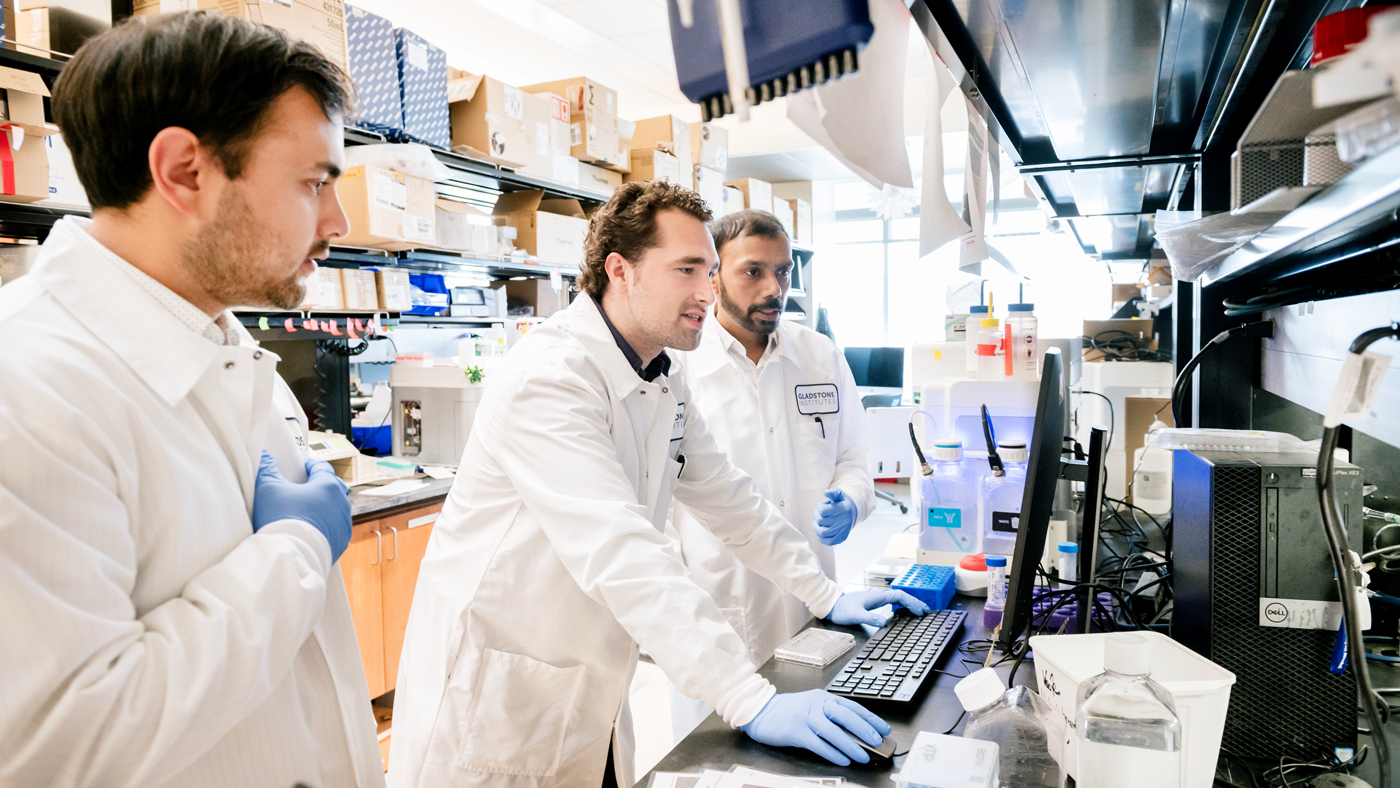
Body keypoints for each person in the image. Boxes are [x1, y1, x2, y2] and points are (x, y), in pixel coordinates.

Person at [390, 181, 928, 788]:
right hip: (497, 703)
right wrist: (748, 698)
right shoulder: (550, 379)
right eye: (688, 270)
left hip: (588, 690)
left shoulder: (661, 378)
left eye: (710, 269)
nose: (708, 291)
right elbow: (622, 551)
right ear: (620, 271)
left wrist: (823, 594)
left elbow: (732, 502)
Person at [0, 12, 382, 787]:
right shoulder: (27, 384)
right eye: (314, 184)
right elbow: (61, 746)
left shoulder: (229, 351)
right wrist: (294, 555)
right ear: (184, 172)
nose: (338, 224)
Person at [667, 209, 876, 738]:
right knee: (717, 761)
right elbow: (662, 511)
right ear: (712, 276)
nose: (774, 288)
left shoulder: (819, 355)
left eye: (783, 272)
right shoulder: (678, 366)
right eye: (753, 272)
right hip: (724, 611)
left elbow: (854, 455)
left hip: (815, 602)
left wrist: (851, 499)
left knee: (817, 750)